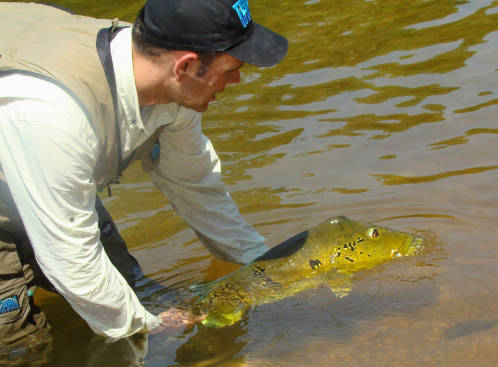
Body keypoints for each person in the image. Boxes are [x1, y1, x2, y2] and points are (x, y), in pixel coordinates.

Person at [0, 0, 288, 358]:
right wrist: (146, 325)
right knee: (20, 347)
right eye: (233, 68)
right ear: (186, 65)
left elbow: (196, 187)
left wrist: (270, 267)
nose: (237, 79)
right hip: (16, 175)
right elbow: (70, 259)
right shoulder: (51, 114)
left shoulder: (170, 85)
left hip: (46, 169)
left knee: (126, 289)